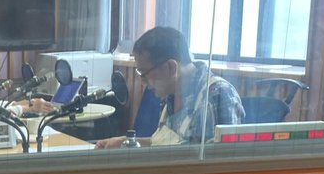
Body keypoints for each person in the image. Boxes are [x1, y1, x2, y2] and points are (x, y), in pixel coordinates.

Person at [95, 26, 244, 149]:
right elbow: (163, 145)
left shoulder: (216, 96)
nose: (143, 82)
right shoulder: (171, 92)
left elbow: (221, 163)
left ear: (171, 67)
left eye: (144, 74)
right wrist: (124, 143)